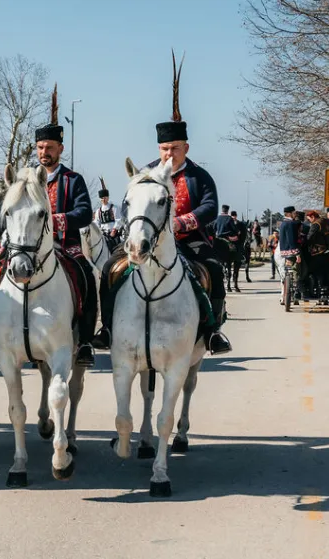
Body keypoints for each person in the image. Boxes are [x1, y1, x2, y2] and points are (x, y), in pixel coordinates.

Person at [93, 64, 232, 355]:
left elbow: (210, 207)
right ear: (159, 149)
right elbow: (129, 204)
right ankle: (107, 328)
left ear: (186, 148)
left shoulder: (199, 176)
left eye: (175, 148)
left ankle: (213, 331)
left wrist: (182, 223)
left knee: (214, 268)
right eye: (165, 148)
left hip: (189, 240)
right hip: (147, 240)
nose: (170, 153)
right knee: (109, 267)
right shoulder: (145, 173)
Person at [26, 118, 99, 366]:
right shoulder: (26, 179)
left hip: (66, 246)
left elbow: (84, 213)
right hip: (29, 247)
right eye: (40, 147)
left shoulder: (73, 179)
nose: (44, 152)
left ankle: (86, 341)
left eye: (49, 147)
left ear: (60, 149)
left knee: (88, 277)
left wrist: (55, 221)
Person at [304, 210, 329, 304]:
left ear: (312, 217)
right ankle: (326, 292)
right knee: (325, 271)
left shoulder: (316, 224)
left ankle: (318, 292)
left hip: (317, 252)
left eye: (309, 219)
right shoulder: (326, 222)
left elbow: (309, 237)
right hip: (327, 250)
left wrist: (304, 242)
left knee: (316, 272)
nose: (309, 221)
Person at [278, 206, 302, 304]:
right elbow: (291, 240)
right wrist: (297, 254)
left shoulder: (283, 223)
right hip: (291, 252)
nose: (295, 214)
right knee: (299, 269)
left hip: (284, 252)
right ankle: (297, 290)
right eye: (294, 213)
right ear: (289, 213)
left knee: (289, 271)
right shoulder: (291, 223)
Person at [96, 178, 121, 250]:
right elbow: (97, 222)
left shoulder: (114, 208)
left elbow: (118, 220)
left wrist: (114, 231)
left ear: (108, 197)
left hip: (113, 234)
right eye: (102, 198)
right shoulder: (98, 211)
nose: (103, 199)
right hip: (103, 235)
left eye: (105, 197)